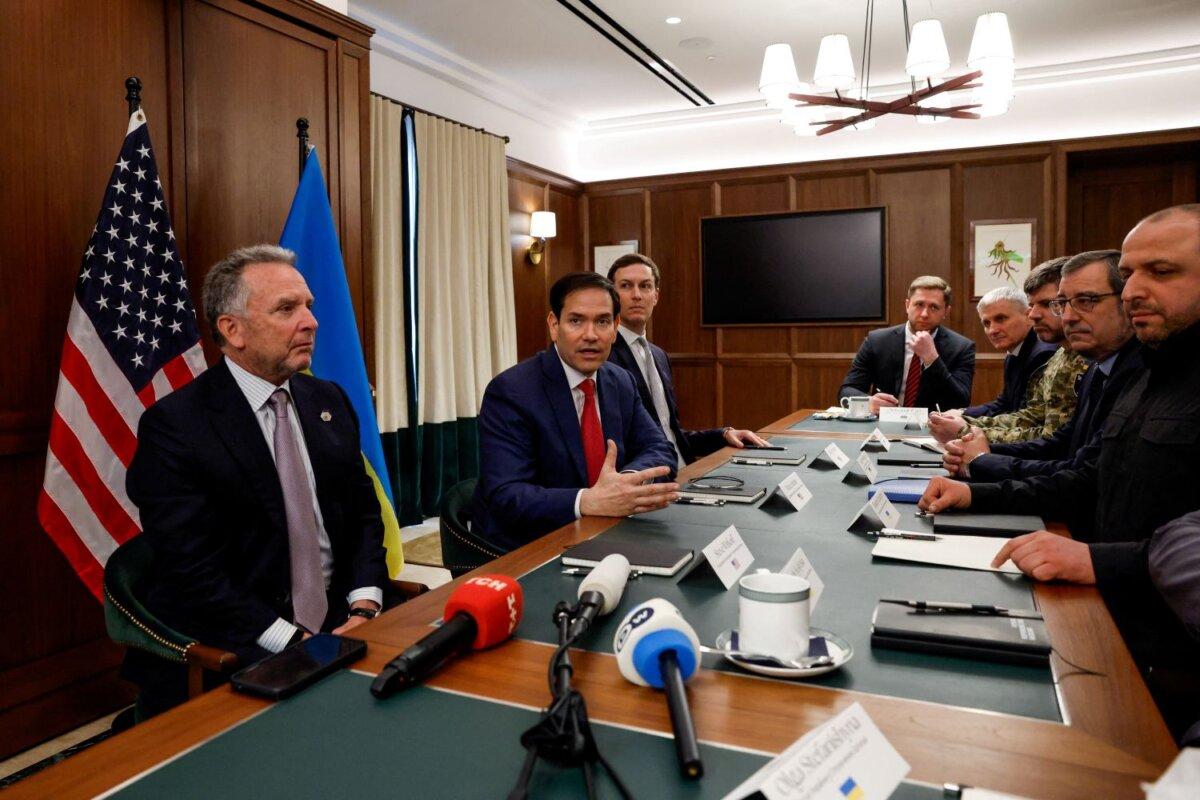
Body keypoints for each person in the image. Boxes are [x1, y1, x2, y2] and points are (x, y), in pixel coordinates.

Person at [918, 205, 1200, 738]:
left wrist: (1098, 559)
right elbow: (1086, 475)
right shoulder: (1143, 375)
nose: (1136, 289)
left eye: (1160, 272)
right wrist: (976, 492)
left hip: (1168, 652)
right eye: (1130, 274)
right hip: (1108, 616)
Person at [123, 245, 392, 715]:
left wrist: (365, 605)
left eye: (308, 306)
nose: (311, 322)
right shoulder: (176, 426)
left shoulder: (328, 400)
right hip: (236, 640)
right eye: (287, 309)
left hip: (343, 624)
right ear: (233, 330)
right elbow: (191, 570)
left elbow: (365, 517)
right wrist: (292, 639)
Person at [473, 272, 679, 552]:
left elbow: (659, 447)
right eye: (576, 321)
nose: (591, 335)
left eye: (603, 321)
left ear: (616, 326)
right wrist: (587, 500)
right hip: (529, 547)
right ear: (554, 325)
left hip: (606, 533)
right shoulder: (511, 392)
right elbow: (506, 494)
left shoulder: (619, 381)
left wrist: (625, 483)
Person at [943, 250, 1145, 483]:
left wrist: (975, 443)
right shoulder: (1088, 363)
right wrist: (976, 447)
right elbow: (1057, 435)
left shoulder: (1098, 363)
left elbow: (1076, 468)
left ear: (1127, 300)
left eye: (1085, 301)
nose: (1034, 315)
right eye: (1061, 304)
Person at [606, 253, 767, 465]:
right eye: (626, 286)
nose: (636, 295)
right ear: (612, 296)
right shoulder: (604, 357)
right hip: (651, 481)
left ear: (656, 296)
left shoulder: (658, 355)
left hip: (687, 471)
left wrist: (723, 434)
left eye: (645, 286)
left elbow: (671, 435)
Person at [929, 257, 1087, 444]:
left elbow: (1052, 440)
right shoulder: (1057, 354)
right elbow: (1029, 414)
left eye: (1048, 304)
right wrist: (966, 421)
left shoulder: (1047, 353)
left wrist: (966, 431)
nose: (992, 330)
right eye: (986, 323)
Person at [839, 276, 975, 413]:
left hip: (932, 428)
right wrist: (867, 403)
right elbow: (846, 390)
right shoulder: (877, 340)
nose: (924, 314)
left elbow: (961, 401)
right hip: (882, 425)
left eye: (934, 307)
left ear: (946, 311)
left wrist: (932, 359)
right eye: (919, 304)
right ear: (907, 306)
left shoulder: (961, 348)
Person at [960, 286, 1057, 419]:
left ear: (1028, 316)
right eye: (986, 323)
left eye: (1001, 319)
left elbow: (1027, 419)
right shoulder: (1014, 352)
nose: (992, 330)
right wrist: (962, 413)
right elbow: (1004, 403)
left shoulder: (1043, 355)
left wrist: (965, 425)